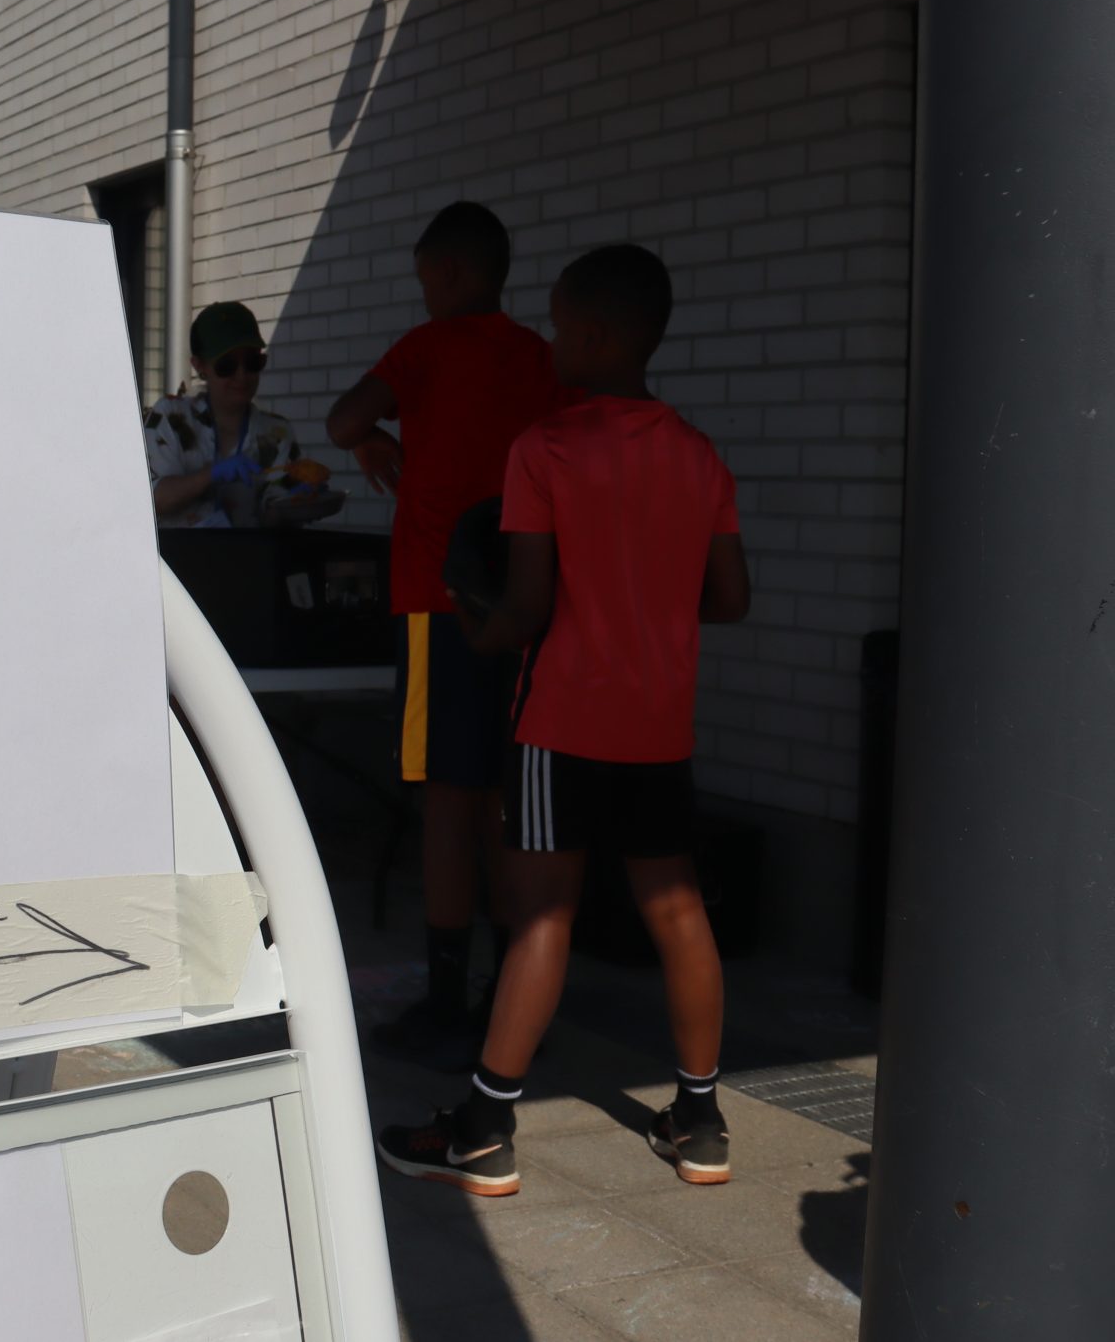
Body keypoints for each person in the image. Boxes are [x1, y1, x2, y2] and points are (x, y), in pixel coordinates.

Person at [377, 243, 752, 1198]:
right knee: (679, 911)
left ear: (594, 334)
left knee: (542, 916)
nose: (549, 343)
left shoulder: (542, 448)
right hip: (658, 725)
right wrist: (648, 598)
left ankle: (482, 1131)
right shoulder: (698, 454)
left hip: (560, 724)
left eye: (557, 327)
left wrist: (473, 623)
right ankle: (700, 1121)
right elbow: (731, 597)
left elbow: (525, 609)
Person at [324, 202, 577, 1068]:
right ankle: (512, 990)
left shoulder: (425, 351)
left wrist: (372, 443)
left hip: (440, 602)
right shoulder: (539, 356)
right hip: (526, 603)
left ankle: (443, 997)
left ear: (453, 274)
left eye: (427, 278)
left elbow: (343, 420)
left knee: (445, 799)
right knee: (503, 798)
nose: (425, 293)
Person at [145, 302, 306, 529]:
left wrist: (298, 503)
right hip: (179, 552)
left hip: (248, 552)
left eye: (252, 362)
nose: (242, 375)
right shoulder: (171, 417)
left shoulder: (277, 433)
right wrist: (210, 475)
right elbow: (150, 501)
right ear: (199, 366)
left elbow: (275, 524)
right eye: (226, 365)